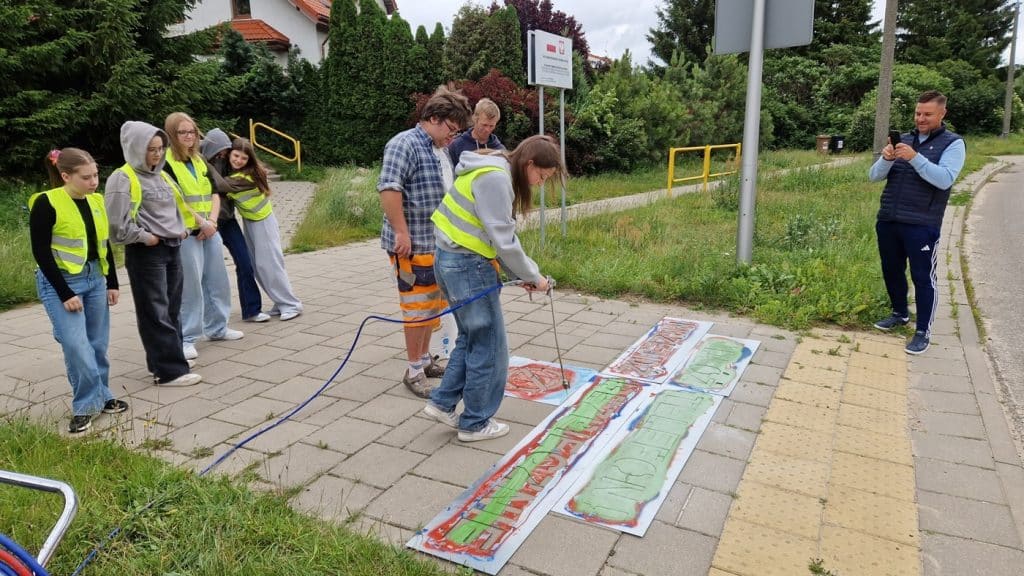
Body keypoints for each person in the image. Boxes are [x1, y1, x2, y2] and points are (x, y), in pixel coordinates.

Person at [422, 135, 562, 441]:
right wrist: (534, 276)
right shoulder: (497, 179)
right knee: (491, 348)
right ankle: (475, 423)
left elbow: (488, 233)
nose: (539, 183)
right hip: (468, 268)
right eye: (542, 176)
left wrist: (518, 273)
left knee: (471, 338)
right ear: (529, 163)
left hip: (449, 261)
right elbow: (505, 240)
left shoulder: (486, 166)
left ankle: (443, 402)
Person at [377, 86, 472, 398]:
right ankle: (413, 370)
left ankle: (425, 359)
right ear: (434, 117)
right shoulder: (404, 144)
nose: (453, 138)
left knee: (432, 306)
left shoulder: (437, 148)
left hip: (435, 245)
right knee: (416, 310)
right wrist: (402, 233)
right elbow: (389, 190)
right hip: (411, 245)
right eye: (452, 129)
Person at [29, 148, 127, 434]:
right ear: (65, 176)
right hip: (62, 283)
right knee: (76, 346)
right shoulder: (47, 203)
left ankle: (103, 395)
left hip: (95, 279)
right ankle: (85, 406)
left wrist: (112, 282)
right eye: (86, 177)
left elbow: (103, 244)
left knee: (97, 344)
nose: (94, 182)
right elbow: (41, 252)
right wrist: (64, 293)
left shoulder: (96, 202)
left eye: (96, 175)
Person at [106, 121, 202, 387]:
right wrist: (147, 238)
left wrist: (183, 230)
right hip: (147, 252)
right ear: (135, 148)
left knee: (172, 305)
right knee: (155, 310)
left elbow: (177, 208)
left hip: (172, 247)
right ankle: (169, 372)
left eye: (160, 148)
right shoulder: (123, 177)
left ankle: (168, 357)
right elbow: (116, 225)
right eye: (150, 149)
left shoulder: (162, 175)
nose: (157, 154)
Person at [869, 90, 966, 355]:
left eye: (927, 114)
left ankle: (923, 330)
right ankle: (899, 313)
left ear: (942, 113)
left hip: (922, 223)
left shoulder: (953, 143)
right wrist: (887, 159)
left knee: (923, 277)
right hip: (889, 219)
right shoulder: (905, 140)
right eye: (918, 113)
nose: (921, 119)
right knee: (892, 269)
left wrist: (915, 157)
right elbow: (873, 176)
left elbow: (945, 179)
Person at [163, 112, 243, 361]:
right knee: (191, 287)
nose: (189, 136)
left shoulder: (198, 159)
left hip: (209, 229)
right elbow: (176, 199)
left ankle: (217, 327)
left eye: (193, 132)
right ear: (172, 135)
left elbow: (214, 192)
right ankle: (187, 337)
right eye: (183, 132)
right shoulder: (166, 163)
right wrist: (201, 224)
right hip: (187, 233)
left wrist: (211, 222)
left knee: (217, 280)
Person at [224, 137, 303, 320]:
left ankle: (291, 304)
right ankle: (280, 300)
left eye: (243, 158)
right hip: (251, 222)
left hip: (263, 223)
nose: (238, 160)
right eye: (236, 155)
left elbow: (220, 184)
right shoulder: (241, 172)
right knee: (259, 265)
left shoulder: (244, 176)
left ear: (249, 160)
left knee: (269, 264)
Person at [200, 128, 269, 323]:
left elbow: (224, 185)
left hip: (227, 220)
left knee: (245, 261)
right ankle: (205, 318)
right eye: (221, 151)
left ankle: (252, 310)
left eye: (226, 150)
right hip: (204, 222)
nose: (225, 155)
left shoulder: (224, 161)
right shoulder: (193, 162)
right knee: (206, 271)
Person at [446, 98, 505, 167]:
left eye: (491, 126)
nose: (487, 130)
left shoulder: (500, 150)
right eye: (484, 125)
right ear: (474, 119)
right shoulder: (456, 146)